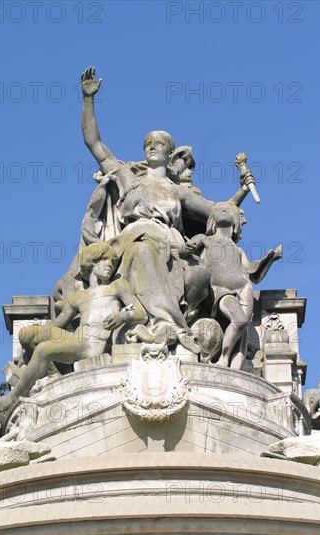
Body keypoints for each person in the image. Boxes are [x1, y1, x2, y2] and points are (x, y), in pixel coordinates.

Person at [77, 67, 254, 350]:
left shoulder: (178, 191)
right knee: (141, 249)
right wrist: (88, 100)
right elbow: (94, 143)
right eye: (148, 144)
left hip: (169, 242)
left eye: (159, 144)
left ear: (170, 153)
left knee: (198, 273)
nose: (152, 147)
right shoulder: (127, 177)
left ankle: (167, 323)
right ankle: (164, 325)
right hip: (132, 240)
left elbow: (218, 212)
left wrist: (242, 191)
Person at [0, 243, 147, 412]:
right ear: (91, 263)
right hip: (77, 339)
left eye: (112, 261)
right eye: (104, 259)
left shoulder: (117, 286)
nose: (110, 264)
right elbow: (56, 325)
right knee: (28, 334)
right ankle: (53, 372)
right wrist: (24, 356)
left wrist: (123, 315)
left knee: (44, 349)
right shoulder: (78, 297)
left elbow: (141, 313)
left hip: (91, 344)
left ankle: (12, 398)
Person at [186, 202, 282, 368]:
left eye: (228, 209)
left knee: (242, 328)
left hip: (244, 289)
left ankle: (234, 365)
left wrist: (270, 259)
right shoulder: (204, 239)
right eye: (218, 209)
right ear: (212, 219)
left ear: (236, 221)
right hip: (221, 291)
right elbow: (184, 251)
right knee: (238, 320)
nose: (223, 209)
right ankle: (223, 359)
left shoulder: (237, 250)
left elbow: (254, 275)